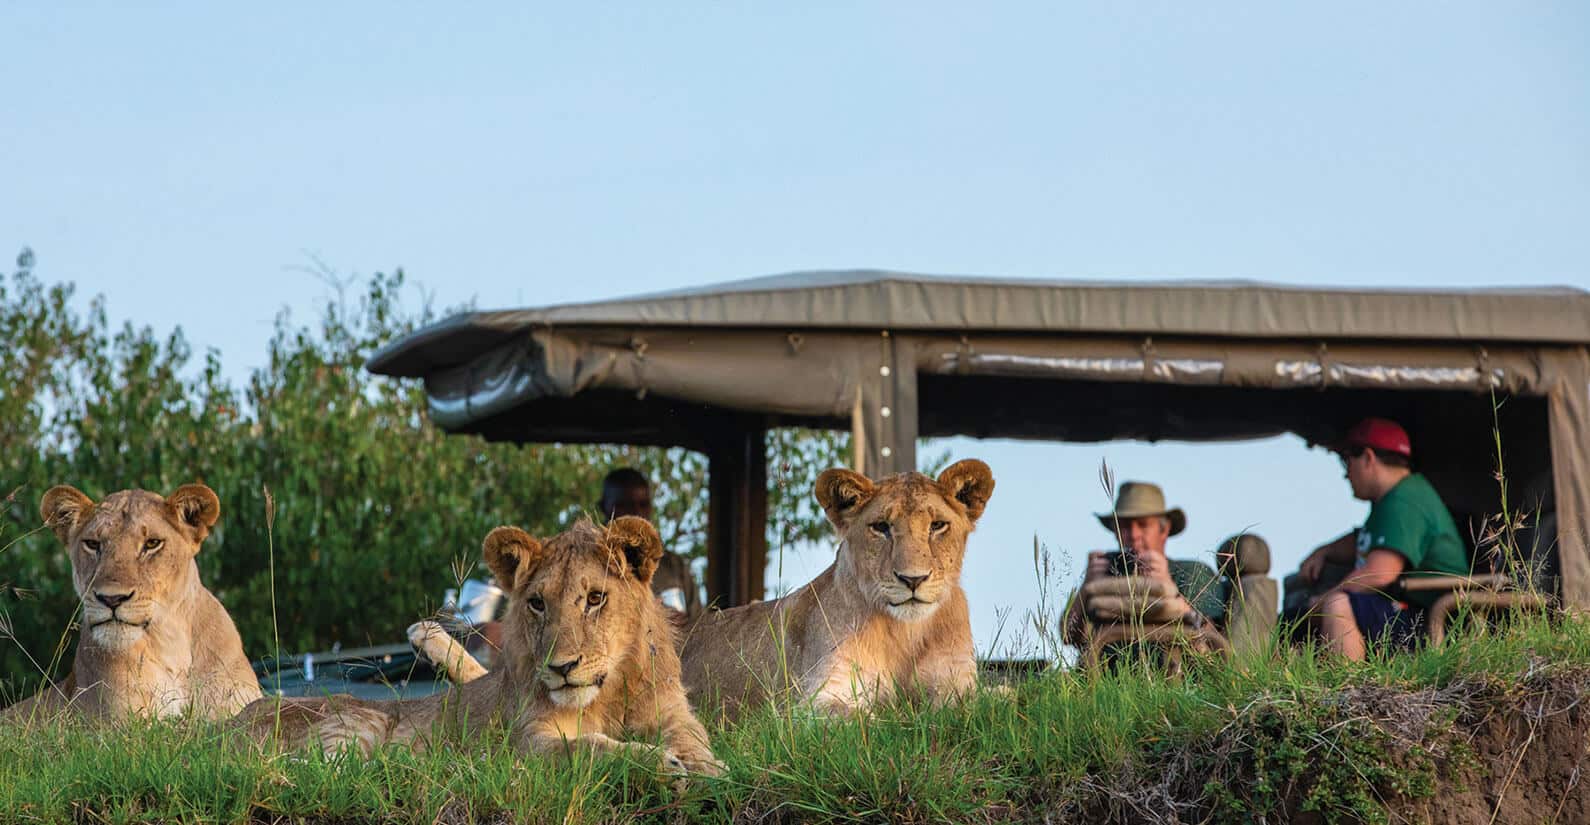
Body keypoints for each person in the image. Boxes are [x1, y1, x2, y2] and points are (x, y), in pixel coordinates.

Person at [1297, 417, 1469, 660]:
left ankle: (1347, 692)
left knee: (1337, 605)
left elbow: (1379, 573)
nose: (1346, 474)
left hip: (1433, 622)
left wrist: (1317, 604)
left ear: (1368, 458)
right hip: (1417, 614)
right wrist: (1324, 552)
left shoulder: (1405, 501)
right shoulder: (1392, 500)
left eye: (1347, 461)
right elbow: (1367, 540)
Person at [1083, 481, 1226, 626]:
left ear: (1164, 530)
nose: (1134, 535)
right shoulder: (1107, 569)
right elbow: (1069, 636)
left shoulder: (1192, 573)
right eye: (1125, 526)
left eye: (1143, 525)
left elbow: (1213, 640)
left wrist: (1169, 588)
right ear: (1115, 532)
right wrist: (1086, 588)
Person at [598, 468, 703, 619]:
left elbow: (698, 625)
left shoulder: (673, 567)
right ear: (604, 508)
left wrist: (681, 627)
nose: (636, 512)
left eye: (643, 504)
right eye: (624, 504)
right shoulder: (590, 566)